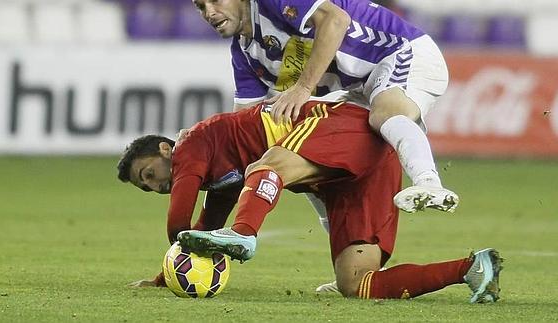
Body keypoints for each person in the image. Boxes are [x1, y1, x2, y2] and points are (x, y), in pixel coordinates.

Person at [117, 100, 502, 303]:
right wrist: (165, 278)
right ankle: (472, 269)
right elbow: (201, 231)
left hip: (342, 126)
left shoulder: (192, 143)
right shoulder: (217, 178)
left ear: (166, 149)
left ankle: (245, 234)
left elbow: (180, 222)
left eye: (149, 174)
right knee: (357, 285)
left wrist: (178, 243)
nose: (156, 186)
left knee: (267, 165)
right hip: (361, 171)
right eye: (146, 188)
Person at [190, 0, 458, 213]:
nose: (209, 12)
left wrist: (303, 88)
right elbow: (245, 128)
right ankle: (352, 262)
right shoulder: (244, 55)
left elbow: (336, 19)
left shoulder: (271, 3)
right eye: (200, 6)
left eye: (215, 0)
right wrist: (207, 156)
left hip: (399, 52)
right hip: (358, 87)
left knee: (384, 114)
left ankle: (429, 184)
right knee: (303, 152)